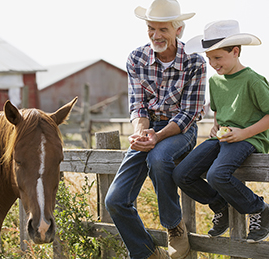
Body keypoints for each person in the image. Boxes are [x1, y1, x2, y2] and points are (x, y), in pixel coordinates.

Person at [104, 0, 206, 258]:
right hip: (148, 130)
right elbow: (138, 106)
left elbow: (189, 113)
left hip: (181, 129)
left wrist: (158, 136)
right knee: (114, 201)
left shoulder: (195, 62)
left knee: (159, 158)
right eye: (151, 28)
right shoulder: (137, 58)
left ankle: (174, 227)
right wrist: (141, 132)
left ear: (178, 30)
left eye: (163, 29)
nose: (156, 35)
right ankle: (148, 254)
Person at [172, 20, 269, 243]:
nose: (213, 63)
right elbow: (218, 110)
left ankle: (259, 209)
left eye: (218, 58)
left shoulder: (252, 80)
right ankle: (220, 207)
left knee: (216, 175)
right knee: (181, 174)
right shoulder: (215, 81)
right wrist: (215, 125)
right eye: (209, 58)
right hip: (224, 137)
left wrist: (244, 133)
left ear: (235, 51)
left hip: (249, 138)